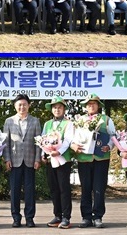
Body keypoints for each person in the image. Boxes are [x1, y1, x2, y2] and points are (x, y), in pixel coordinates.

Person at [71, 94, 115, 229]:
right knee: (85, 188)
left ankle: (98, 216)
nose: (91, 106)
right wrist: (74, 145)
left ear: (98, 106)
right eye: (89, 104)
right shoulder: (79, 120)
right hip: (84, 158)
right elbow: (72, 138)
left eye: (94, 103)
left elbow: (113, 136)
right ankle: (86, 217)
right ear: (85, 106)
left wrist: (109, 146)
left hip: (101, 158)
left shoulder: (106, 120)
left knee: (99, 188)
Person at [2, 94, 42, 228]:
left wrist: (37, 159)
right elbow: (5, 143)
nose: (22, 107)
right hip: (14, 160)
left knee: (30, 191)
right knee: (15, 191)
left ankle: (29, 218)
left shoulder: (35, 121)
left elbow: (38, 142)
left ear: (29, 105)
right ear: (15, 106)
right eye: (19, 104)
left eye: (24, 104)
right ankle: (16, 218)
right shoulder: (9, 121)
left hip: (30, 160)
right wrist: (7, 159)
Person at [42, 97, 74, 229]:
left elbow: (68, 140)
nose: (57, 109)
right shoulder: (47, 124)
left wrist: (59, 151)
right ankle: (57, 215)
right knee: (54, 188)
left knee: (64, 188)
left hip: (63, 160)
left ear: (64, 109)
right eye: (54, 107)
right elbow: (43, 140)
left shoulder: (68, 123)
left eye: (59, 107)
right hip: (50, 160)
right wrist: (43, 154)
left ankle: (66, 217)